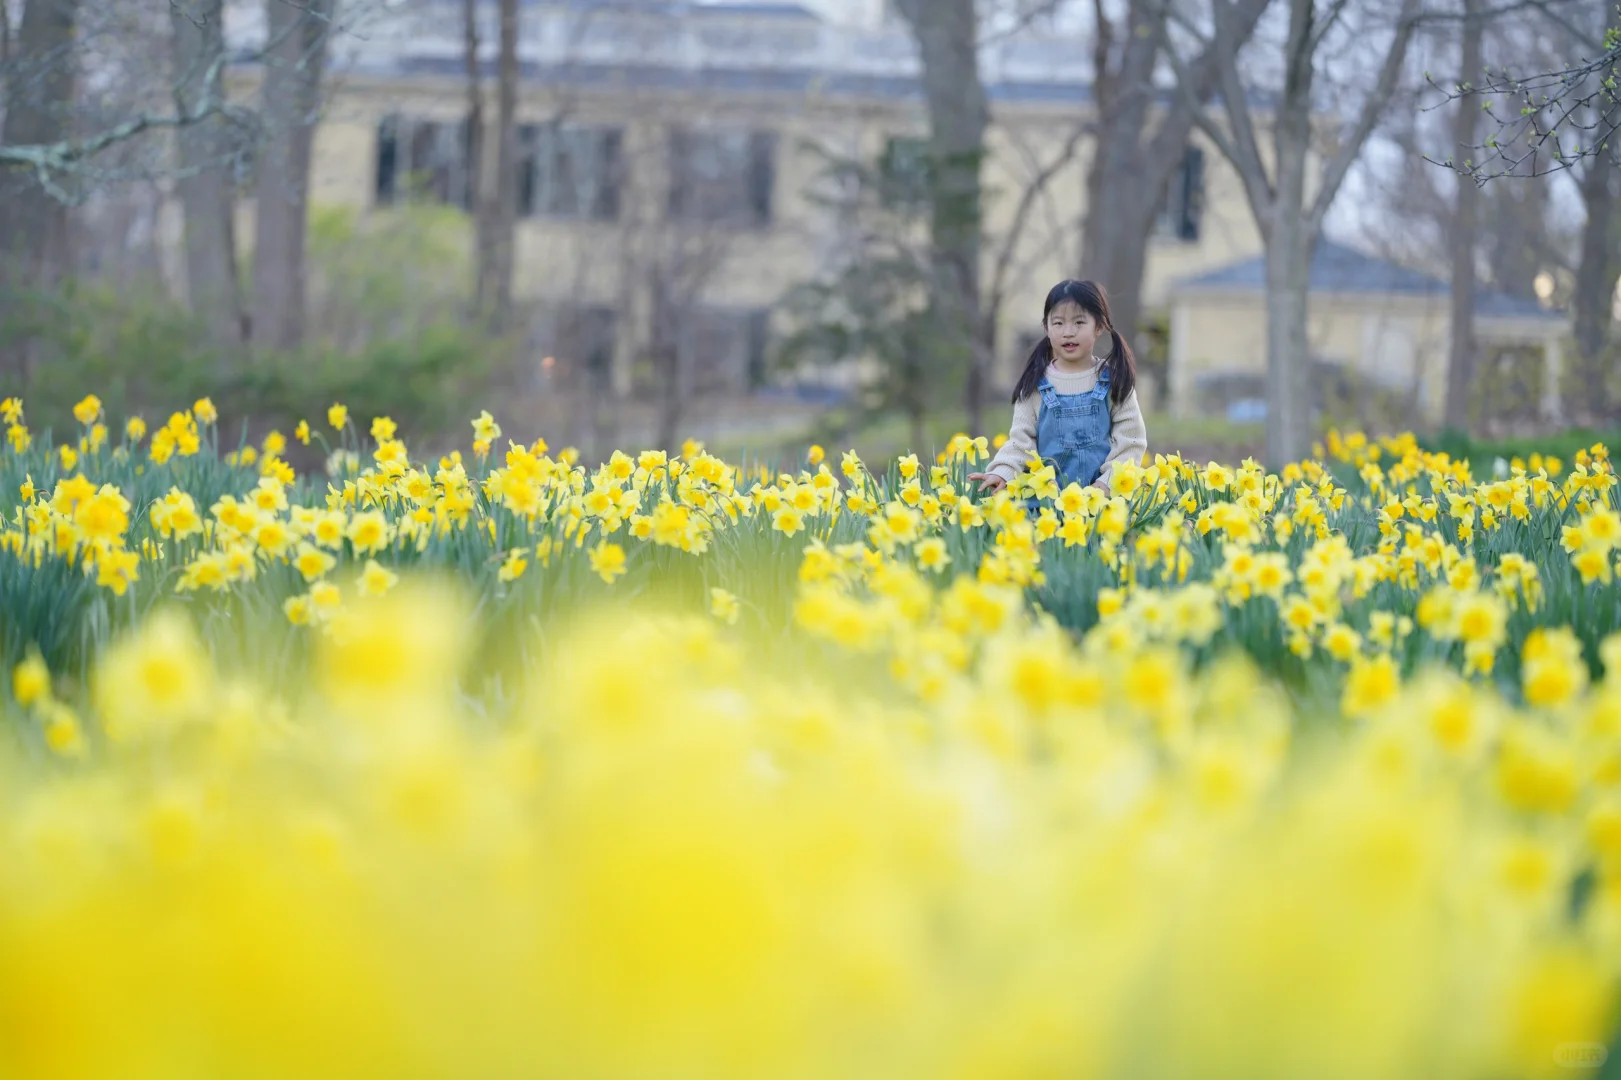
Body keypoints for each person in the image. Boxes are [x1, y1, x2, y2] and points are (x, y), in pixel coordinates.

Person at [969, 279, 1148, 497]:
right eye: (1058, 323)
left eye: (1079, 323)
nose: (1068, 332)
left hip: (1102, 504)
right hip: (1045, 505)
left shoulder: (1115, 380)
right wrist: (1003, 473)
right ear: (1046, 327)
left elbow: (1131, 444)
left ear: (1099, 326)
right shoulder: (1034, 384)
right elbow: (1021, 442)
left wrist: (1105, 486)